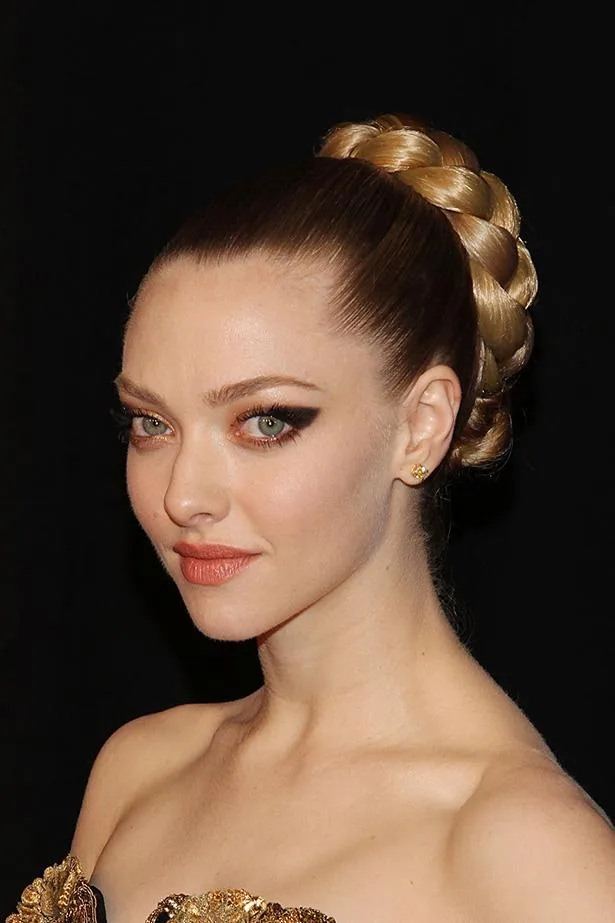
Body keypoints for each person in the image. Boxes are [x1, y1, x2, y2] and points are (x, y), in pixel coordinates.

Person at [8, 113, 615, 923]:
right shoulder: (138, 767)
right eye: (150, 423)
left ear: (421, 425)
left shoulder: (528, 857)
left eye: (266, 420)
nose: (184, 494)